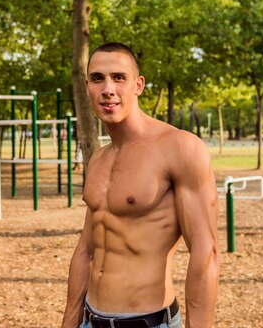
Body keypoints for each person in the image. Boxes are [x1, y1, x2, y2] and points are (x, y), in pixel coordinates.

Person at [62, 42, 220, 328]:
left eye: (119, 78)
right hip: (89, 319)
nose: (108, 88)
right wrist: (69, 322)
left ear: (138, 85)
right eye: (98, 78)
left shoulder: (180, 148)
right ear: (87, 86)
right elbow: (86, 250)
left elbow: (205, 254)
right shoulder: (99, 159)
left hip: (147, 322)